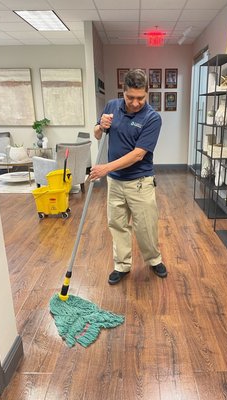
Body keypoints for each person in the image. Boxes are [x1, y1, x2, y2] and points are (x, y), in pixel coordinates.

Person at [90, 68, 167, 285]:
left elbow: (138, 154)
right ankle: (122, 265)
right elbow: (98, 134)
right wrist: (99, 125)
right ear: (123, 92)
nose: (135, 102)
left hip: (140, 182)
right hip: (115, 182)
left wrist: (105, 168)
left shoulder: (152, 118)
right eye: (130, 97)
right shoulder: (112, 107)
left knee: (145, 227)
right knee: (117, 225)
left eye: (140, 98)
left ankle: (153, 260)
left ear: (147, 94)